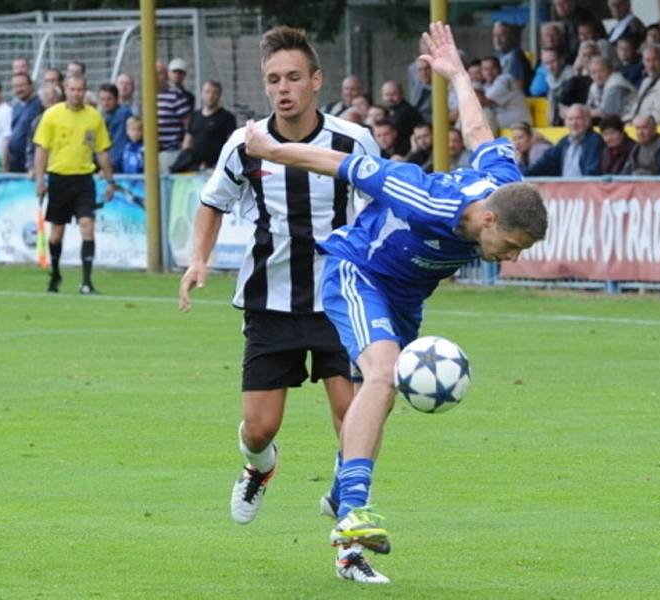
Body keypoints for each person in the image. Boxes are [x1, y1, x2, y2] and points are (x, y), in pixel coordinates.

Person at [241, 21, 547, 585]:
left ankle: (338, 492)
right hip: (357, 274)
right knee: (381, 374)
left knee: (375, 401)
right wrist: (270, 148)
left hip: (406, 299)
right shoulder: (423, 196)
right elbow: (340, 163)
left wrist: (456, 74)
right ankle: (354, 516)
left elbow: (479, 129)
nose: (510, 257)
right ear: (488, 220)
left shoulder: (504, 184)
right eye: (510, 245)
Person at [176, 25, 383, 584]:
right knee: (259, 428)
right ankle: (258, 469)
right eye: (273, 79)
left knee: (353, 422)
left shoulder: (353, 141)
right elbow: (212, 203)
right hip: (270, 303)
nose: (283, 88)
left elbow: (380, 205)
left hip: (341, 300)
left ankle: (349, 549)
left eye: (294, 76)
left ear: (316, 80)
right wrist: (199, 260)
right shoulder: (244, 145)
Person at [33, 74, 114, 294]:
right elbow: (41, 150)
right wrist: (40, 180)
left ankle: (86, 281)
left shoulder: (94, 117)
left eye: (80, 90)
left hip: (84, 179)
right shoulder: (52, 115)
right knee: (56, 233)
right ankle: (56, 273)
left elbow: (102, 151)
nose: (76, 93)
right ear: (65, 90)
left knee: (87, 225)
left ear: (85, 92)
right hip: (58, 178)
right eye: (73, 89)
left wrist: (110, 180)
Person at [524, 104, 604, 176]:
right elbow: (544, 164)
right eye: (570, 119)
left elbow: (592, 172)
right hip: (565, 191)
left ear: (588, 121)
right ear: (565, 123)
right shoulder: (564, 142)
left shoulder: (595, 141)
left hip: (586, 190)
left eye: (578, 118)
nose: (574, 123)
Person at [177, 80, 236, 172]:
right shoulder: (195, 116)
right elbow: (187, 140)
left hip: (216, 167)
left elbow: (231, 142)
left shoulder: (227, 117)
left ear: (219, 95)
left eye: (214, 93)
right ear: (202, 94)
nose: (210, 96)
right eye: (207, 92)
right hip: (194, 168)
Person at [623, 43, 660, 124]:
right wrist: (626, 120)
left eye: (655, 60)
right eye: (648, 61)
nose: (651, 65)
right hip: (639, 126)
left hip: (655, 129)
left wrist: (635, 122)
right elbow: (634, 109)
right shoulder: (647, 81)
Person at [156, 60, 192, 172]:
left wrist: (184, 148)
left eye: (159, 73)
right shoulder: (148, 96)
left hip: (170, 152)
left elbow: (189, 124)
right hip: (152, 152)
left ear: (166, 74)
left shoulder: (176, 95)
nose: (156, 77)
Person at [7, 73, 43, 172]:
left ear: (31, 85)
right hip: (15, 163)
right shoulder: (16, 107)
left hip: (30, 164)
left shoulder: (39, 105)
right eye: (16, 86)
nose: (19, 89)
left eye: (22, 85)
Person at [586, 56, 635, 123]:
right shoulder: (594, 85)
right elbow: (589, 107)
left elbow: (607, 113)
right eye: (593, 72)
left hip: (630, 122)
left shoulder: (616, 84)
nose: (598, 76)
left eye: (601, 71)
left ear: (610, 70)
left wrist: (583, 112)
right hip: (614, 122)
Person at [380, 80, 422, 155]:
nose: (390, 98)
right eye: (387, 95)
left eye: (393, 94)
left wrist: (401, 155)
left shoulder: (408, 111)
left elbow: (404, 138)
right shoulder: (387, 111)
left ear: (401, 94)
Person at [98, 83, 133, 173]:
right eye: (102, 99)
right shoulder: (99, 116)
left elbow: (119, 143)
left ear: (117, 99)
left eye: (109, 99)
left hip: (118, 167)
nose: (105, 103)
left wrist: (109, 167)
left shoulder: (123, 114)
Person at [492, 21, 533, 90]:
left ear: (511, 37)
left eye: (501, 35)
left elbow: (519, 87)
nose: (497, 40)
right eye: (495, 35)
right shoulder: (499, 55)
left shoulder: (515, 56)